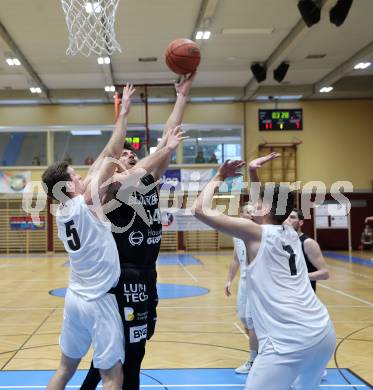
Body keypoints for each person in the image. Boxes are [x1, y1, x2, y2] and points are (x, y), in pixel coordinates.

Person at [80, 73, 196, 390]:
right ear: (113, 163)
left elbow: (166, 141)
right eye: (125, 153)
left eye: (134, 152)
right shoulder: (107, 188)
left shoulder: (143, 178)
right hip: (121, 276)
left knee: (136, 350)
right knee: (121, 355)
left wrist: (182, 97)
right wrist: (126, 117)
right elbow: (152, 152)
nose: (130, 153)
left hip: (147, 273)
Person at [193, 160, 336, 390]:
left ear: (266, 208)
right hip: (322, 331)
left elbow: (199, 209)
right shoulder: (289, 230)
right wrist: (252, 173)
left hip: (288, 342)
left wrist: (219, 176)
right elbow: (271, 207)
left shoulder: (255, 233)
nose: (253, 203)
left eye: (256, 201)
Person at [42, 85, 136, 390]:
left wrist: (120, 117)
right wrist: (123, 114)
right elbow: (111, 152)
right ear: (69, 185)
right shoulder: (86, 204)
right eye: (76, 175)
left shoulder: (63, 212)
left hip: (74, 299)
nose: (82, 176)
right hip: (98, 302)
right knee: (113, 377)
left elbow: (105, 156)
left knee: (64, 369)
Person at [224, 203, 258, 374]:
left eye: (254, 212)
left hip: (257, 282)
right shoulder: (237, 234)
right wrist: (229, 280)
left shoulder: (260, 232)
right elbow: (236, 259)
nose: (252, 214)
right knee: (244, 318)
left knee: (253, 322)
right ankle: (259, 354)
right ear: (241, 214)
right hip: (244, 282)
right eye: (248, 211)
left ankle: (254, 360)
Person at [286, 209, 330, 291]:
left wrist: (299, 277)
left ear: (300, 222)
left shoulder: (308, 243)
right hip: (287, 295)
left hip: (305, 297)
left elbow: (325, 273)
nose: (288, 220)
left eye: (292, 217)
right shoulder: (282, 242)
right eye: (286, 217)